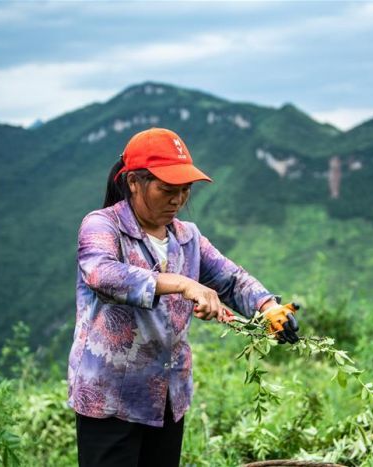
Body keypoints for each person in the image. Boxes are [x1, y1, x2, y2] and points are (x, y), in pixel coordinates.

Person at [67, 127, 300, 467]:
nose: (177, 199)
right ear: (134, 182)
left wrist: (268, 307)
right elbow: (101, 273)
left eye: (185, 189)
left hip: (167, 397)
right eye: (167, 189)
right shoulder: (103, 226)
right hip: (110, 398)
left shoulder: (187, 237)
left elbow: (231, 279)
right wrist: (183, 283)